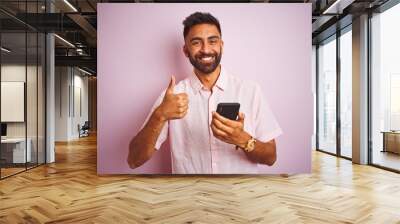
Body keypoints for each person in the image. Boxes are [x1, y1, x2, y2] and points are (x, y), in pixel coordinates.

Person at [127, 12, 282, 174]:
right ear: (186, 50)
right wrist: (159, 115)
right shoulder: (172, 97)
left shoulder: (251, 91)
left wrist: (242, 139)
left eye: (212, 41)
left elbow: (271, 158)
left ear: (221, 45)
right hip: (190, 197)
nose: (206, 49)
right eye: (196, 43)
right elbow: (134, 160)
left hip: (239, 196)